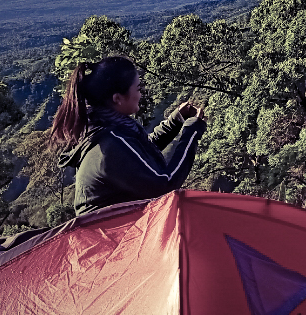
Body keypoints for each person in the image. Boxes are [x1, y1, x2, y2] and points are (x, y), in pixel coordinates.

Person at [51, 55, 206, 216]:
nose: (141, 93)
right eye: (138, 88)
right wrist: (192, 132)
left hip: (116, 231)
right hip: (112, 237)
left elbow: (138, 154)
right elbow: (165, 183)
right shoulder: (109, 143)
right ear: (117, 98)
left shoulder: (104, 125)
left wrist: (176, 121)